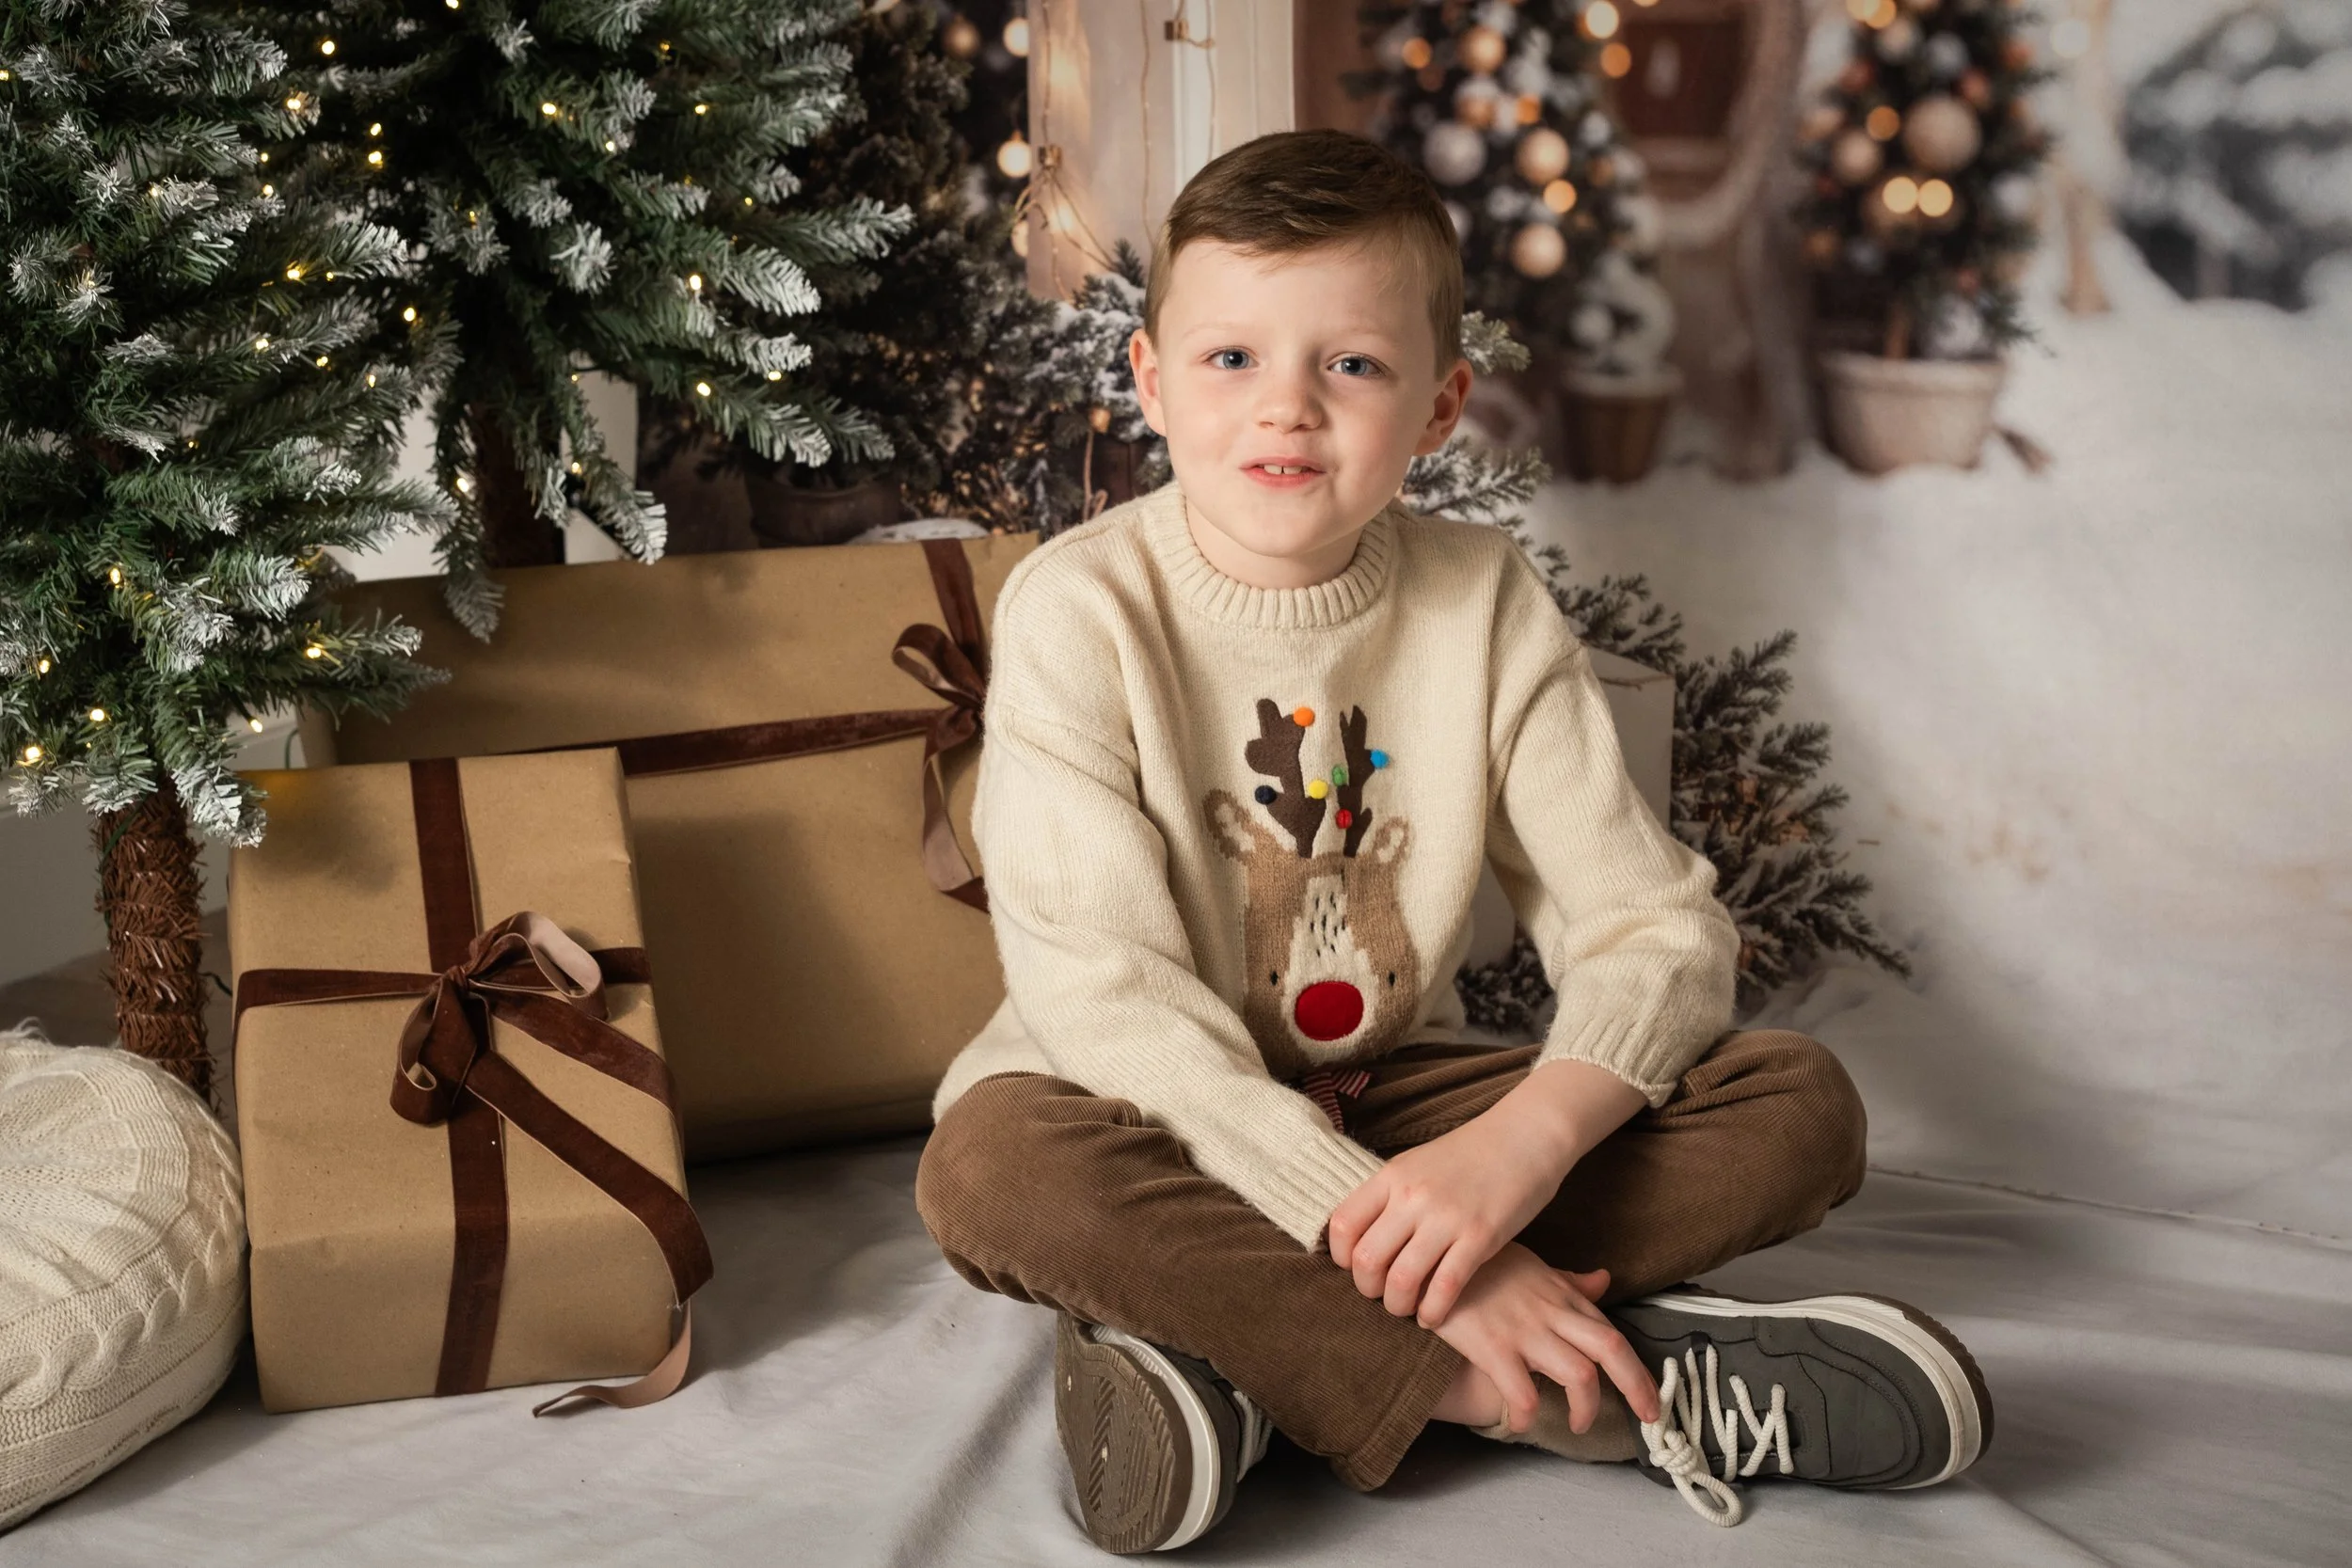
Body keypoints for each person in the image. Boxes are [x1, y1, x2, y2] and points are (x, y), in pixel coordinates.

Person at [914, 129, 1991, 1553]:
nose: (1286, 411)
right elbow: (1108, 1002)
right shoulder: (1079, 609)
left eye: (1350, 365)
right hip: (1148, 1109)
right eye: (1233, 359)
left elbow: (1654, 928)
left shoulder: (1482, 601)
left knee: (1797, 1104)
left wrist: (1513, 1159)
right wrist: (1446, 1276)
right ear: (1153, 384)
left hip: (1401, 1099)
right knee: (990, 1165)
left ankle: (1233, 1362)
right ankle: (1564, 1389)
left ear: (1439, 406)